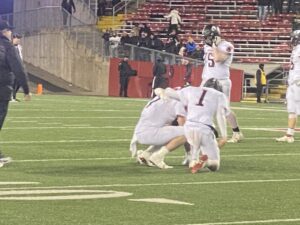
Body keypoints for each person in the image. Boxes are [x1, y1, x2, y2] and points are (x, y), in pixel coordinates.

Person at [154, 78, 229, 173]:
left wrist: (161, 91)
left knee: (195, 143)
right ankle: (204, 162)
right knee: (214, 165)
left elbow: (169, 92)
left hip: (188, 128)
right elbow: (220, 115)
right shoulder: (220, 95)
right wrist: (224, 135)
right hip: (205, 129)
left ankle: (193, 161)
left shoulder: (191, 89)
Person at [201, 24, 243, 143]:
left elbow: (219, 59)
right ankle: (211, 129)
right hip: (207, 80)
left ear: (214, 36)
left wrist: (214, 46)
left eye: (208, 37)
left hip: (221, 81)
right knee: (200, 105)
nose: (206, 39)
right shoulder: (206, 46)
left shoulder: (227, 46)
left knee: (224, 110)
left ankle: (236, 133)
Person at [0, 20, 31, 168]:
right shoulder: (8, 48)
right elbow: (19, 68)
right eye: (9, 30)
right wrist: (26, 89)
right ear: (4, 31)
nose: (11, 33)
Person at [130, 94, 187, 169]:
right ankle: (158, 156)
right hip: (150, 132)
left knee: (169, 132)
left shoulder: (164, 97)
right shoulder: (179, 101)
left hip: (140, 132)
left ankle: (146, 154)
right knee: (188, 132)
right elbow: (182, 123)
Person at [276, 30, 300, 143]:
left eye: (293, 38)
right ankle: (289, 135)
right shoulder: (295, 50)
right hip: (292, 83)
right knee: (292, 110)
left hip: (298, 82)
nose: (291, 40)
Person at [11, 34, 23, 102]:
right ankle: (12, 97)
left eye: (19, 39)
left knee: (19, 82)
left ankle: (13, 96)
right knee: (12, 82)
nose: (18, 40)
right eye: (17, 39)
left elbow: (20, 56)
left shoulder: (19, 47)